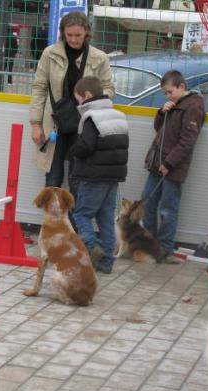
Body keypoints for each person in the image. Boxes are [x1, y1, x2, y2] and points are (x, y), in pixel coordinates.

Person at [30, 11, 114, 200]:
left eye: (78, 35)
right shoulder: (49, 54)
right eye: (69, 35)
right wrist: (35, 123)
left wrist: (95, 99)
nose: (74, 40)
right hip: (55, 122)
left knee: (78, 178)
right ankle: (53, 225)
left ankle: (74, 227)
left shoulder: (99, 58)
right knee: (53, 177)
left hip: (84, 124)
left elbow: (109, 88)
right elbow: (39, 88)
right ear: (62, 33)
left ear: (87, 33)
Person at [142, 70, 205, 264]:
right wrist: (162, 112)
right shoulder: (175, 105)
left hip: (172, 167)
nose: (167, 96)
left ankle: (165, 248)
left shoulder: (193, 106)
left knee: (168, 209)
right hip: (157, 163)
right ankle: (149, 243)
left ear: (181, 87)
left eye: (170, 92)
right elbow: (158, 128)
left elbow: (188, 140)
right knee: (147, 202)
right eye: (165, 93)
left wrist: (169, 162)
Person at [70, 76, 129, 274]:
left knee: (81, 214)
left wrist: (74, 150)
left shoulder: (91, 117)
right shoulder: (118, 115)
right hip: (113, 178)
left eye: (78, 99)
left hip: (92, 176)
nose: (79, 103)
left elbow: (86, 146)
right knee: (106, 218)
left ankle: (92, 247)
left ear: (87, 95)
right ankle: (106, 263)